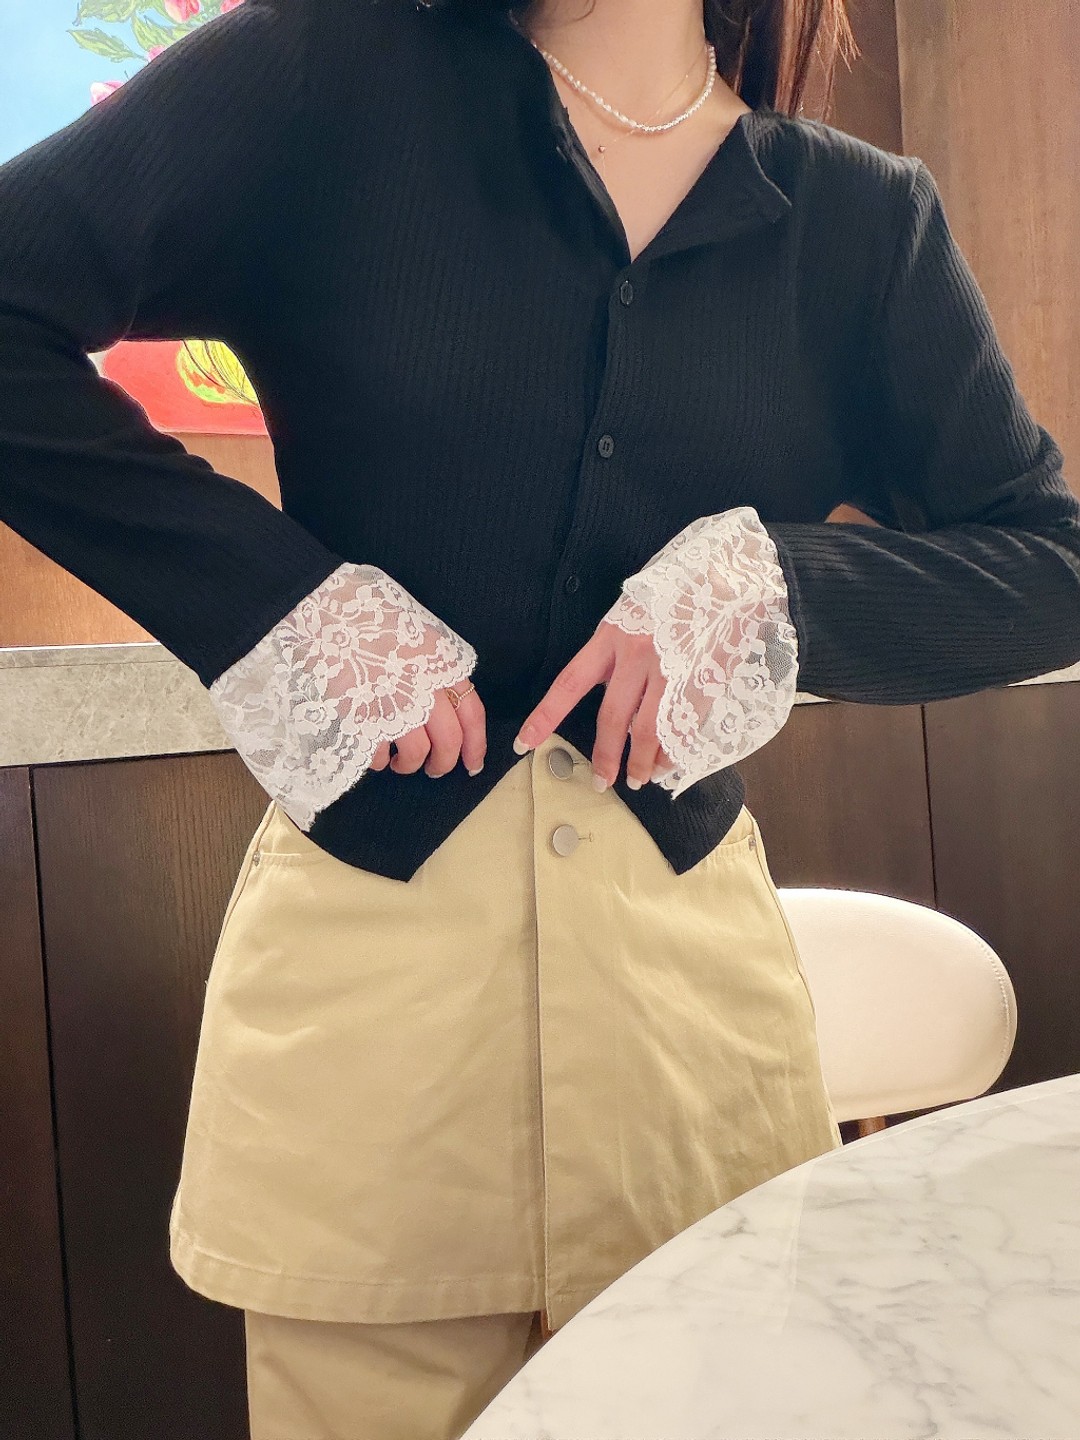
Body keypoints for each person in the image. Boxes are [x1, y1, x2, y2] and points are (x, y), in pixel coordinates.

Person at [3, 0, 1080, 1435]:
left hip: (696, 1043)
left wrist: (782, 589)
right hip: (369, 1044)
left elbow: (1052, 562)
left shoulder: (862, 223)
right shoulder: (317, 80)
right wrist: (275, 600)